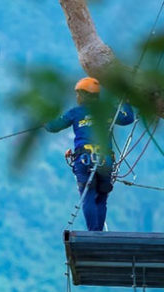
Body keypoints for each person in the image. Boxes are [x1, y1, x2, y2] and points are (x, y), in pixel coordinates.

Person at [45, 77, 135, 231]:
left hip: (84, 160)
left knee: (88, 196)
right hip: (105, 160)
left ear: (85, 95)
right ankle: (98, 233)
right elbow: (128, 118)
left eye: (79, 94)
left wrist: (44, 120)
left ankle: (94, 233)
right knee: (101, 198)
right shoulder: (108, 110)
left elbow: (53, 126)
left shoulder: (75, 113)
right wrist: (126, 102)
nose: (77, 97)